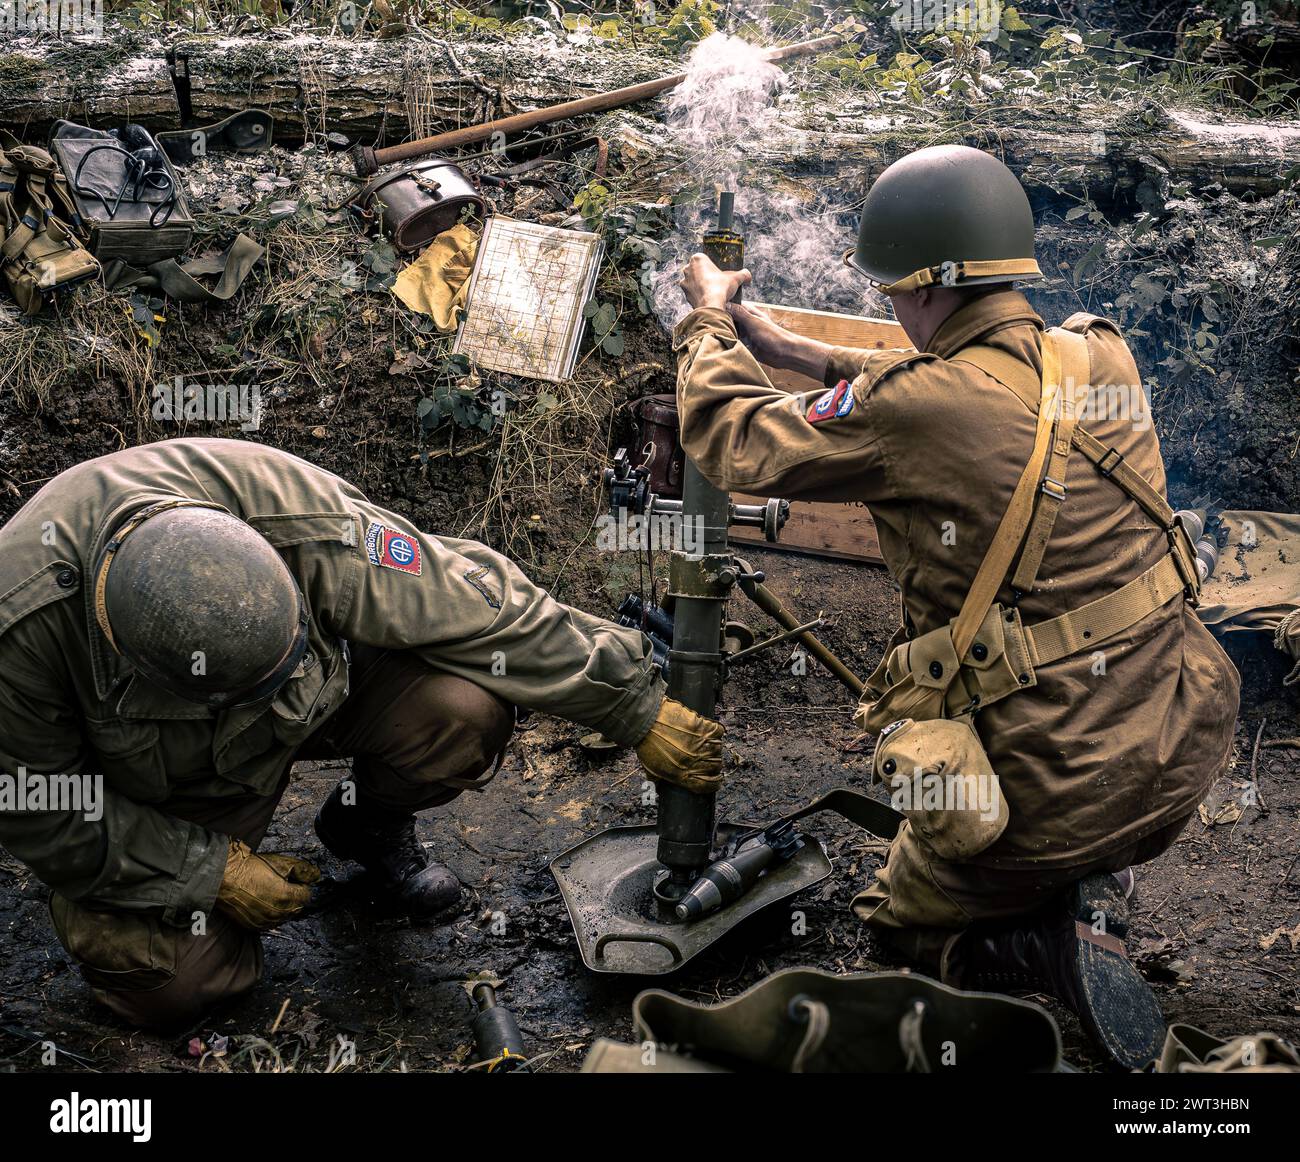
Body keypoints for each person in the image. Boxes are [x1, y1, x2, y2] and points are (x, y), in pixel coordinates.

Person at [673, 145, 1239, 1068]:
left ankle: (1032, 938)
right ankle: (1095, 880)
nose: (890, 307)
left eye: (893, 291)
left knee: (889, 921)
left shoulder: (917, 406)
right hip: (1176, 748)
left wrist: (707, 325)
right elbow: (948, 389)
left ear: (930, 287)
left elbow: (735, 436)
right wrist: (787, 346)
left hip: (1050, 796)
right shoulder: (1098, 354)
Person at [0, 437, 721, 1029]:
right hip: (164, 789)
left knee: (462, 712)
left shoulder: (282, 508)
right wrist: (209, 871)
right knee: (168, 987)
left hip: (318, 701)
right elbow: (43, 812)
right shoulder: (19, 631)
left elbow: (468, 602)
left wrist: (632, 705)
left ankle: (362, 828)